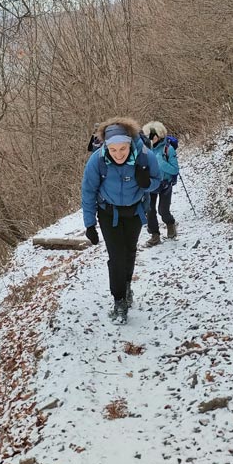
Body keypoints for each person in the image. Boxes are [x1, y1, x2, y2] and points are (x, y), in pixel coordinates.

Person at [81, 117, 160, 323]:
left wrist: (146, 183)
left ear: (129, 143)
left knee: (129, 252)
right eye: (113, 150)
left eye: (122, 149)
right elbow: (88, 191)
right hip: (109, 213)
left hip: (135, 212)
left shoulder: (144, 156)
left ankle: (126, 286)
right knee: (116, 257)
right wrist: (89, 224)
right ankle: (119, 300)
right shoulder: (97, 160)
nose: (118, 154)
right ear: (106, 146)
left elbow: (158, 181)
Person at [142, 121, 179, 246]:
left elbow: (175, 169)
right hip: (151, 184)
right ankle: (155, 235)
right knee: (150, 210)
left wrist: (160, 162)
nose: (151, 138)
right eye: (148, 135)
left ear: (160, 134)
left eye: (153, 135)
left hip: (165, 184)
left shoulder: (168, 149)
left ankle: (170, 224)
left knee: (163, 210)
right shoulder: (144, 150)